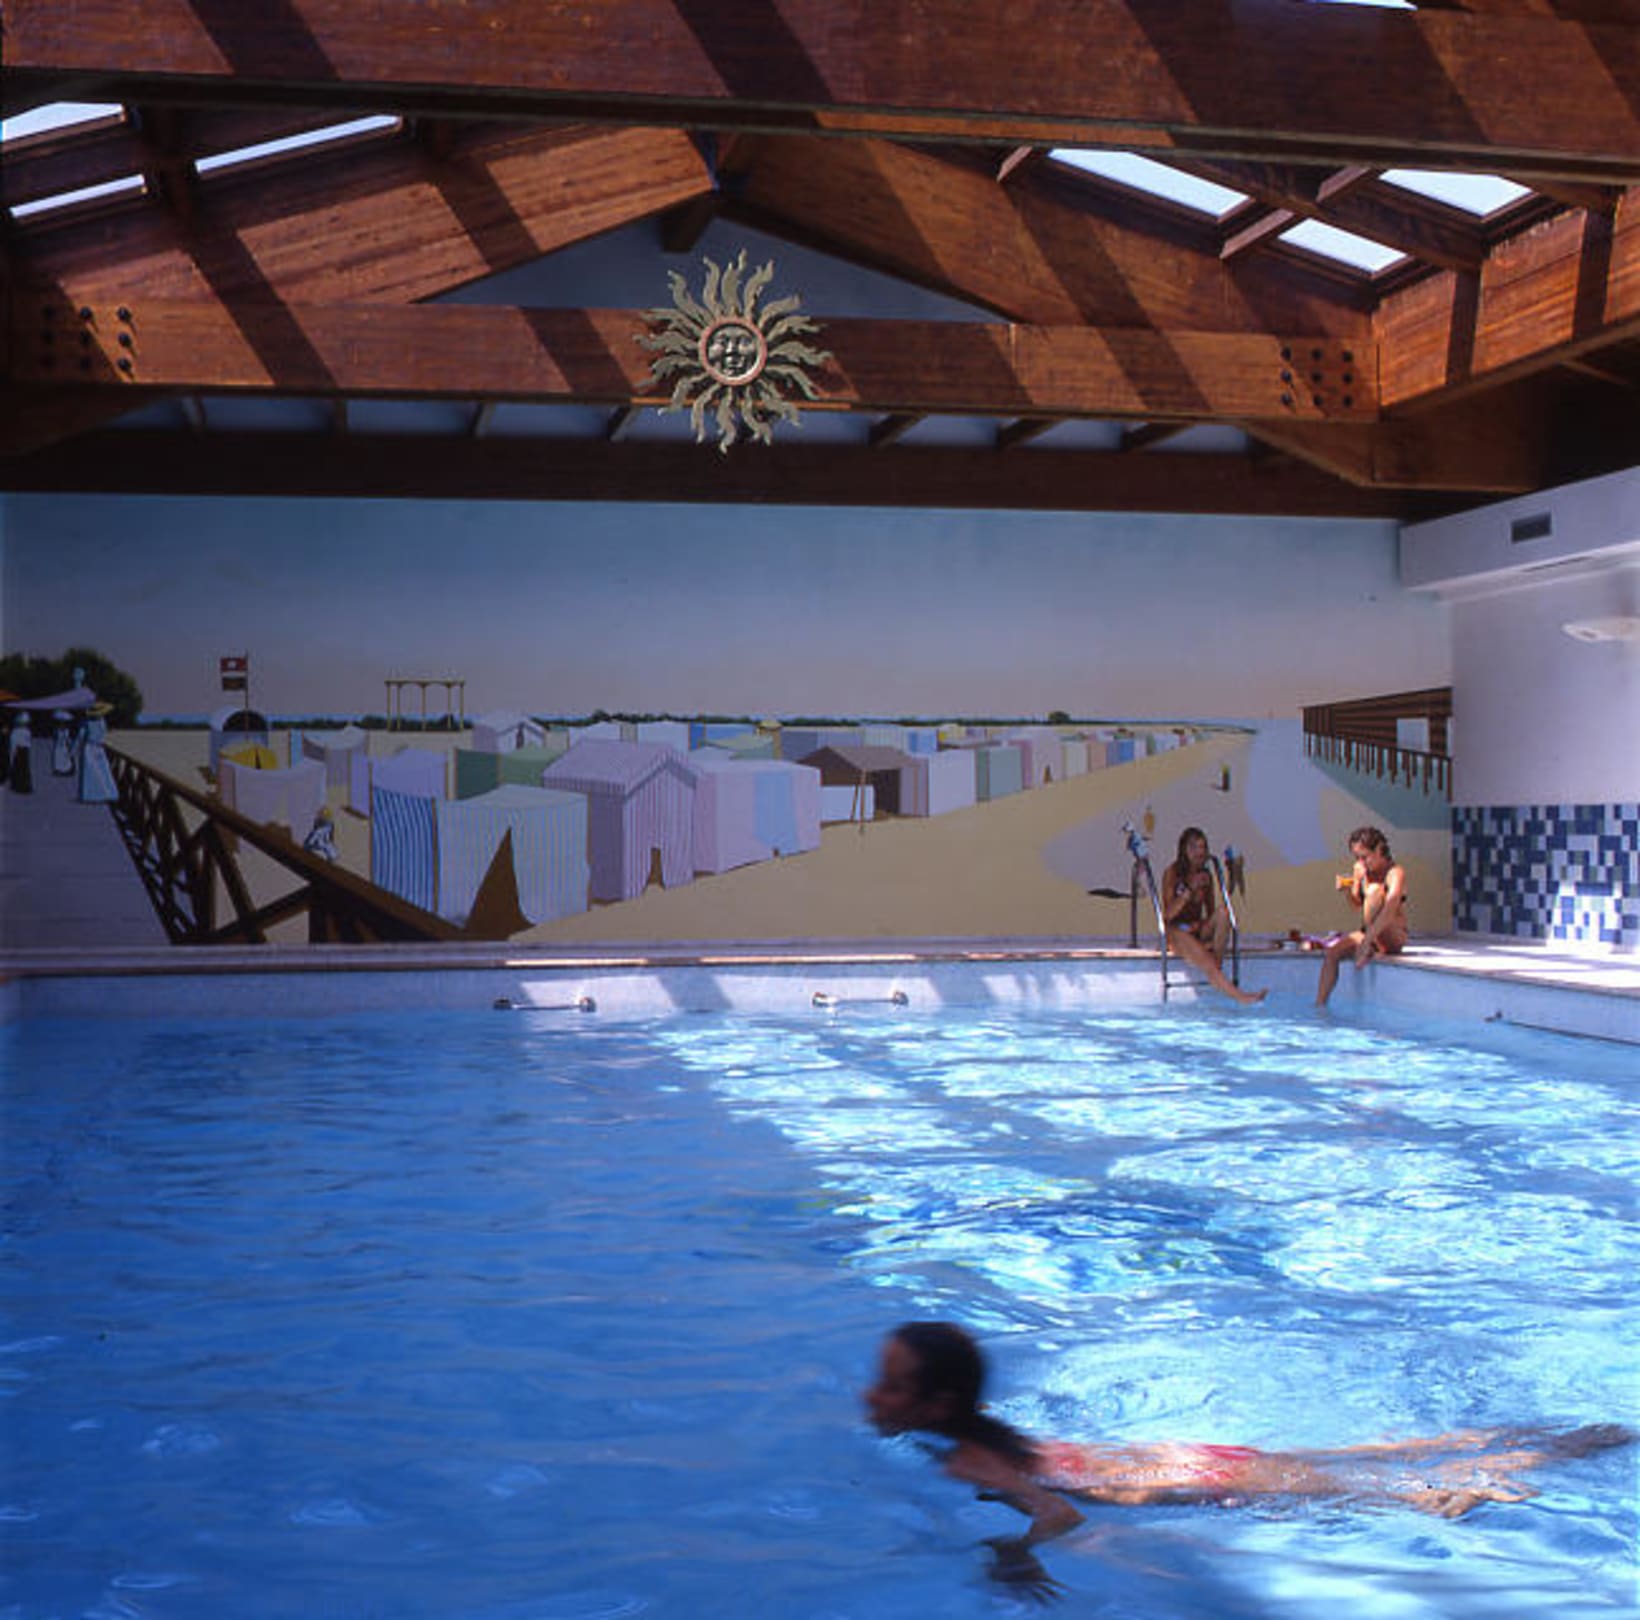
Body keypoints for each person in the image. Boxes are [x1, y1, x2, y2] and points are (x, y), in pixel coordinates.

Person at [864, 1322, 1632, 1601]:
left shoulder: (971, 1463)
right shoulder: (989, 1431)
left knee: (1420, 1495)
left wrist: (1015, 1556)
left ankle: (1547, 1457)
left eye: (891, 1385)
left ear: (938, 1404)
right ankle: (1544, 1435)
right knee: (1381, 1456)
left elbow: (1060, 1514)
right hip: (1190, 1456)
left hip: (1195, 1479)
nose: (873, 1394)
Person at [1160, 827, 1265, 1006]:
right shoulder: (1173, 873)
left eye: (1202, 847)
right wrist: (1189, 890)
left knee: (1224, 913)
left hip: (1195, 929)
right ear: (1184, 850)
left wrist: (1200, 926)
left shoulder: (1205, 875)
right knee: (1207, 961)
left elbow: (1210, 914)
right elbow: (1167, 916)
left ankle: (1216, 968)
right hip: (1176, 931)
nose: (1199, 853)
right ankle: (1240, 996)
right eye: (1194, 847)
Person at [1316, 825, 1408, 1007]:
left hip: (1392, 934)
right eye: (1357, 857)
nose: (1361, 862)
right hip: (1369, 933)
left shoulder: (1395, 872)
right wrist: (1349, 889)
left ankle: (1369, 947)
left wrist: (1366, 942)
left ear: (1379, 849)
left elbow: (1390, 908)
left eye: (1364, 857)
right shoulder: (1361, 870)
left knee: (1374, 891)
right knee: (1332, 954)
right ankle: (1320, 1006)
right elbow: (1357, 905)